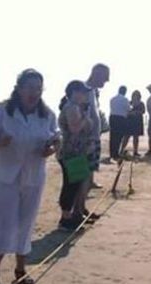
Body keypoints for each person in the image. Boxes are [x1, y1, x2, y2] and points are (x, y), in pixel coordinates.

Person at [0, 69, 58, 284]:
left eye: (38, 88)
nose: (34, 92)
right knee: (3, 222)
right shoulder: (4, 111)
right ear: (19, 88)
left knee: (27, 221)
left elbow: (56, 137)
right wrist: (0, 142)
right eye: (29, 87)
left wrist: (51, 149)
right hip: (6, 174)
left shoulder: (46, 114)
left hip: (34, 174)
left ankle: (20, 270)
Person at [56, 80, 95, 231]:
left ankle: (69, 216)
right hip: (71, 151)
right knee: (71, 185)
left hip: (77, 151)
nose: (85, 95)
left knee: (75, 184)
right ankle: (65, 219)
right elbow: (75, 129)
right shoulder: (72, 107)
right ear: (74, 92)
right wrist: (85, 116)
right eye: (82, 92)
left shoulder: (75, 107)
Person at [74, 63, 109, 215]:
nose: (107, 80)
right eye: (105, 76)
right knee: (79, 177)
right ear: (97, 74)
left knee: (87, 177)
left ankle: (81, 208)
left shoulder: (93, 92)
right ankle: (75, 211)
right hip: (82, 141)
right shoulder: (82, 91)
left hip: (92, 140)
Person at [109, 86, 130, 160]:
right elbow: (128, 109)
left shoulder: (112, 99)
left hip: (112, 117)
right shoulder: (125, 99)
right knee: (119, 136)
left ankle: (112, 153)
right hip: (121, 118)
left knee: (113, 135)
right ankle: (116, 153)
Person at [126, 90, 146, 157]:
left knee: (136, 137)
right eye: (134, 95)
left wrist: (136, 112)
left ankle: (135, 151)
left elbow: (143, 111)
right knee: (126, 136)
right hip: (130, 121)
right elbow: (126, 111)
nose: (135, 96)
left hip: (137, 121)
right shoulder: (130, 102)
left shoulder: (141, 103)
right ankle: (121, 149)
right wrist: (130, 113)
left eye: (137, 95)